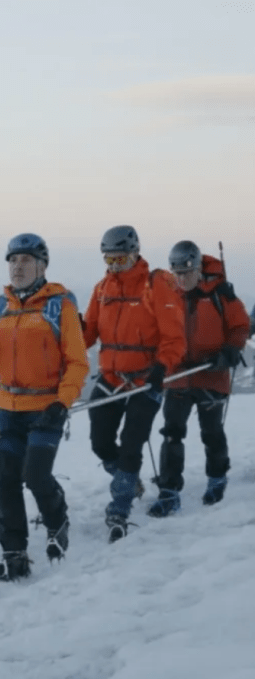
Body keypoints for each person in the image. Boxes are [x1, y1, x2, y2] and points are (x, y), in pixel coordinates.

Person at [0, 234, 89, 581]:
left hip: (46, 407)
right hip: (6, 407)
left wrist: (63, 401)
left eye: (26, 260)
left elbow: (77, 362)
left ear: (42, 266)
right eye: (13, 260)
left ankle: (58, 521)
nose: (18, 266)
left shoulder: (60, 307)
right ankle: (14, 554)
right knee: (7, 481)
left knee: (36, 475)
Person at [82, 225, 185, 543]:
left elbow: (174, 336)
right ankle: (129, 479)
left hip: (145, 379)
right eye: (109, 260)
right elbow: (88, 335)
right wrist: (72, 329)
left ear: (135, 253)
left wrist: (161, 368)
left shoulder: (157, 285)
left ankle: (120, 505)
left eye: (121, 259)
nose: (114, 266)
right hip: (111, 377)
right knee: (100, 441)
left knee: (132, 442)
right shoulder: (102, 289)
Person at [147, 241, 250, 516]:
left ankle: (217, 478)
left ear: (198, 269)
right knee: (172, 433)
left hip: (211, 374)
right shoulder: (168, 296)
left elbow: (240, 326)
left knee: (211, 432)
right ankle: (169, 491)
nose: (182, 279)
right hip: (179, 376)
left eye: (187, 273)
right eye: (177, 273)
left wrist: (229, 351)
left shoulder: (220, 293)